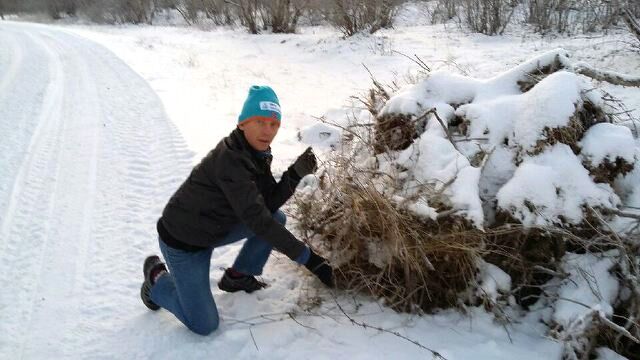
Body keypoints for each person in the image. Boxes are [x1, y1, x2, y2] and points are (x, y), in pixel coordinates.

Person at [140, 85, 334, 335]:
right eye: (260, 122)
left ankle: (238, 277)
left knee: (276, 218)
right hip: (183, 244)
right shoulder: (230, 160)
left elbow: (266, 207)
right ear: (243, 123)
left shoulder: (255, 151)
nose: (268, 130)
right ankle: (157, 279)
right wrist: (313, 261)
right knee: (204, 324)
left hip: (213, 229)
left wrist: (293, 175)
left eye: (274, 124)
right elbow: (258, 221)